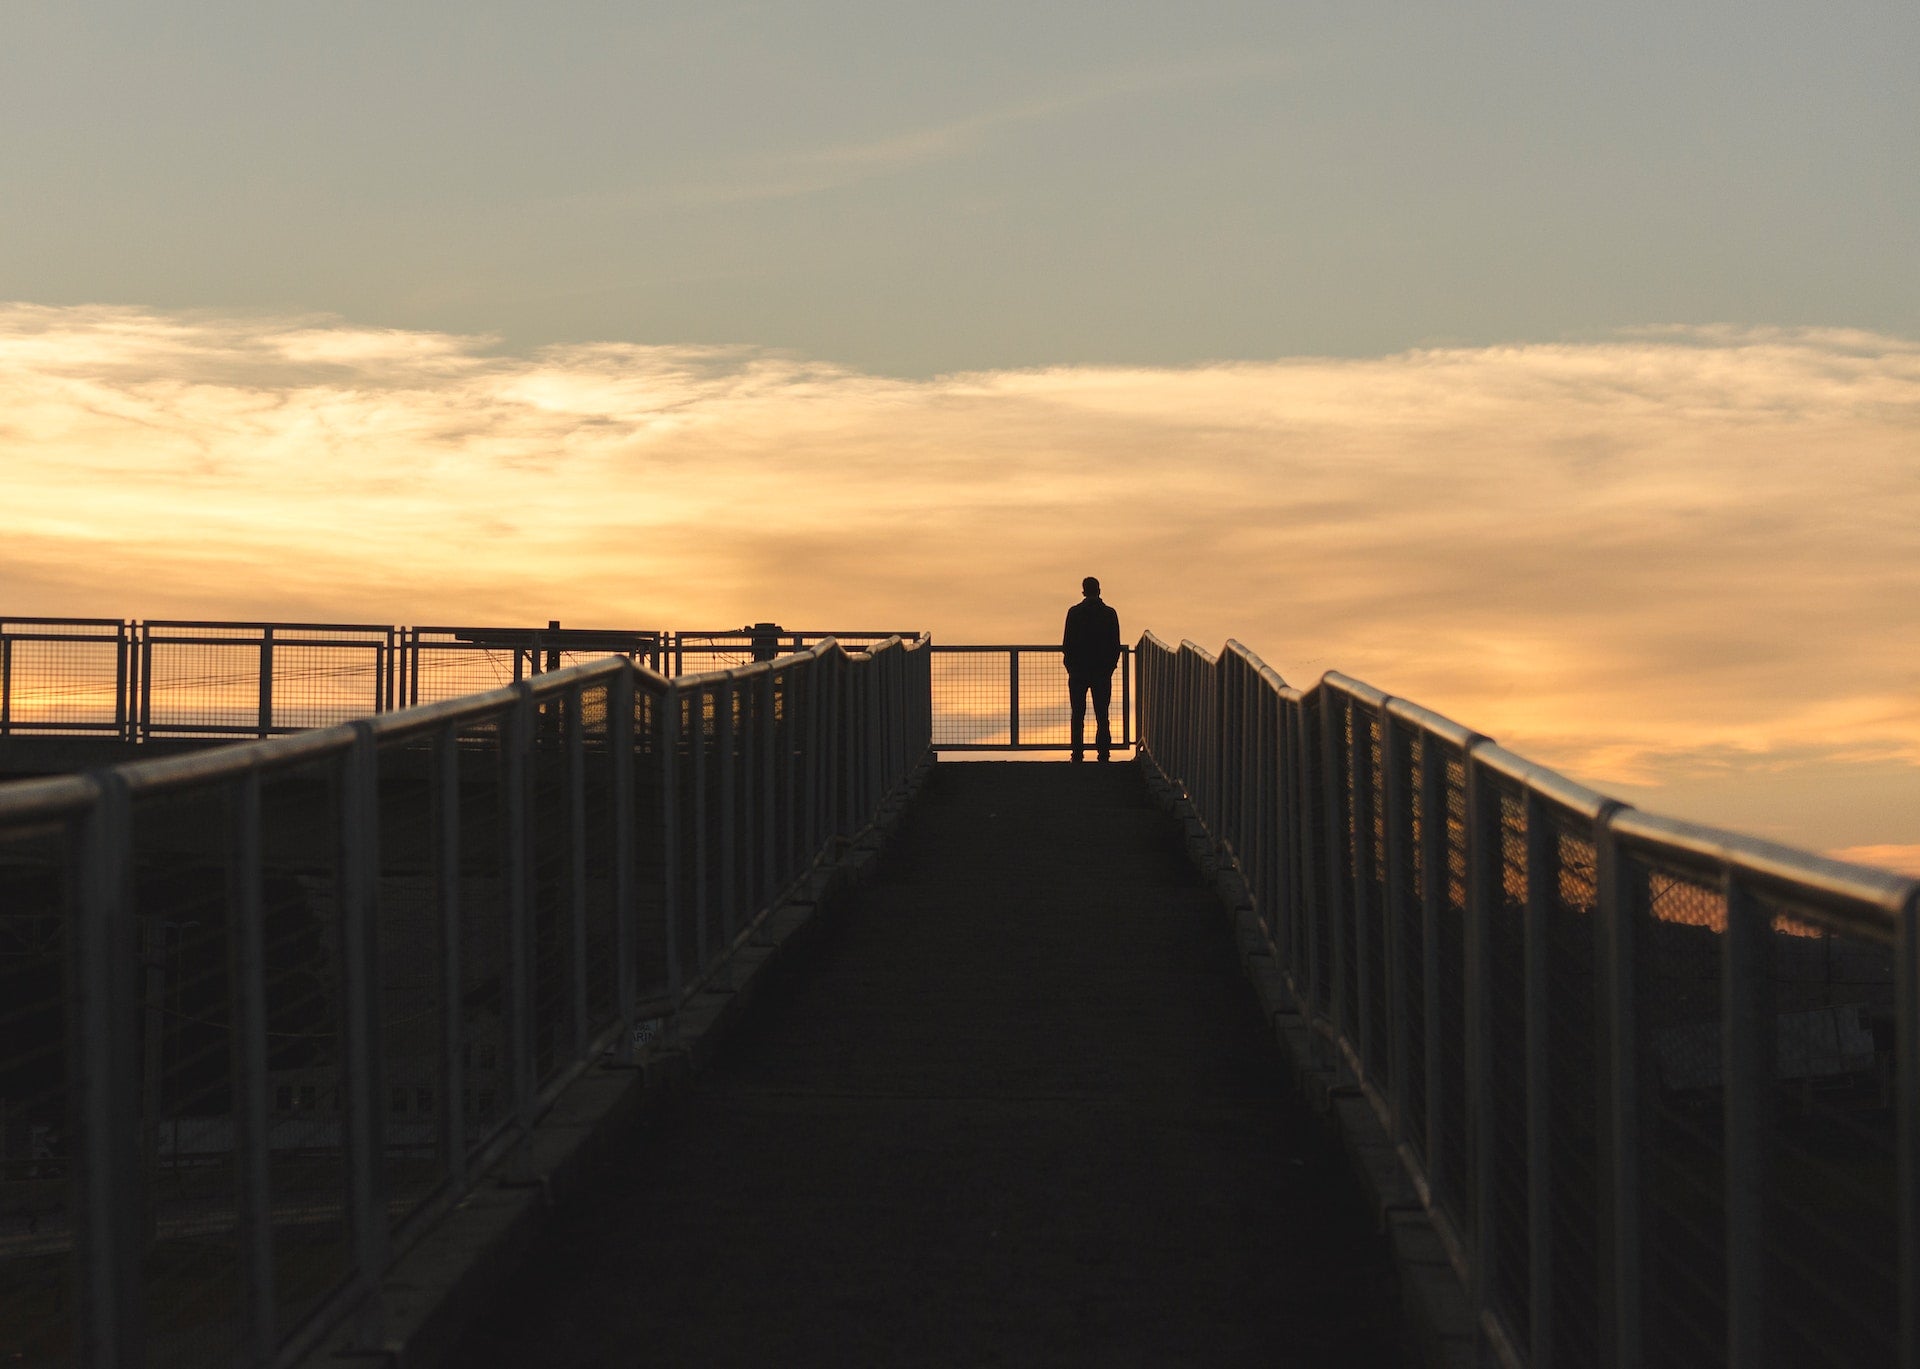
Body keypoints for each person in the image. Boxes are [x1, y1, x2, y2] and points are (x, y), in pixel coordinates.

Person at [1062, 576, 1121, 763]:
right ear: (1099, 590)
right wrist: (1110, 667)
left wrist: (1071, 666)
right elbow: (1115, 644)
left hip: (1078, 671)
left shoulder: (1074, 613)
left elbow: (1067, 643)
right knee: (1102, 714)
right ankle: (1104, 753)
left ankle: (1077, 754)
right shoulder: (1109, 613)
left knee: (1077, 713)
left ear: (1083, 591)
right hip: (1101, 671)